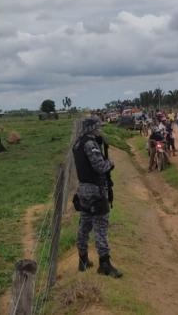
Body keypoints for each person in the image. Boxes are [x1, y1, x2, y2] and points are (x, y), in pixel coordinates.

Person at [73, 117, 122, 278]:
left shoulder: (78, 143)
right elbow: (100, 167)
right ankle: (105, 264)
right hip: (95, 190)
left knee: (84, 226)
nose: (100, 129)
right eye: (98, 127)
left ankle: (83, 260)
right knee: (100, 227)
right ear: (91, 128)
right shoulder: (90, 144)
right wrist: (111, 163)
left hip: (83, 190)